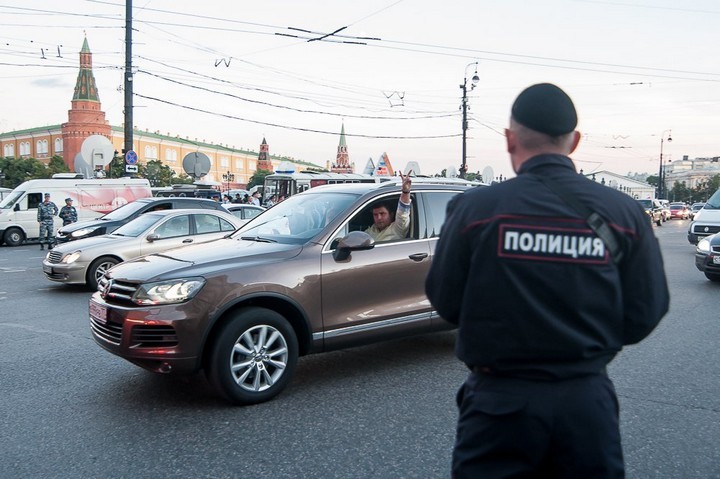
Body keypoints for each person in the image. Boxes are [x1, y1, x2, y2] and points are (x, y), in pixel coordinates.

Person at [425, 83, 669, 478]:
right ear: (574, 141)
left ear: (509, 139)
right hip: (586, 403)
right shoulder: (623, 213)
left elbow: (446, 300)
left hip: (498, 405)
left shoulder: (476, 209)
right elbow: (645, 313)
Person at [364, 172, 412, 242]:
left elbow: (402, 214)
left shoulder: (397, 229)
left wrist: (405, 192)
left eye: (382, 213)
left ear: (391, 214)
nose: (379, 218)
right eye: (375, 215)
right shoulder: (370, 230)